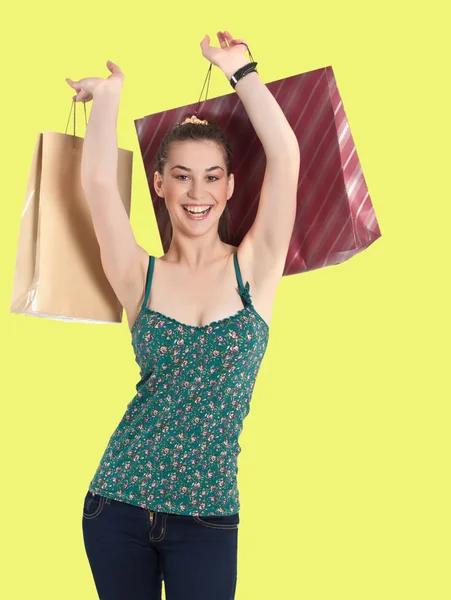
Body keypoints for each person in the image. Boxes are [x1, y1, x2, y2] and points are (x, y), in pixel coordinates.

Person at [67, 30, 300, 600]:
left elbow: (287, 155)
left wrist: (240, 71)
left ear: (230, 186)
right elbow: (97, 184)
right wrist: (110, 97)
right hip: (117, 504)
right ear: (159, 183)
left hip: (208, 517)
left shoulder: (256, 268)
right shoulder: (137, 276)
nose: (197, 191)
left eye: (212, 176)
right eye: (181, 175)